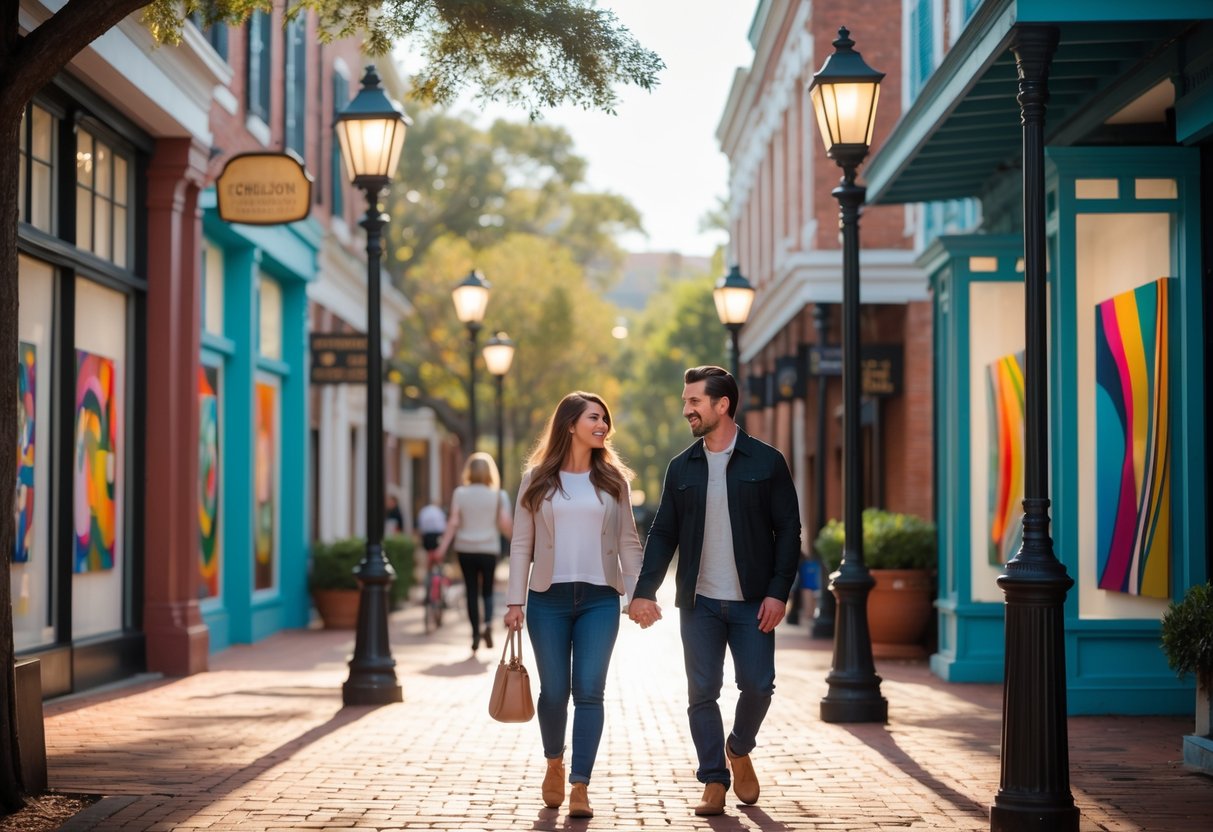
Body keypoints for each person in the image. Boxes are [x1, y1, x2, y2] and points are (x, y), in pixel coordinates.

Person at [629, 366, 800, 817]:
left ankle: (739, 748)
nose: (686, 409)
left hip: (753, 602)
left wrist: (778, 592)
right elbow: (663, 533)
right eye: (686, 401)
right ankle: (714, 780)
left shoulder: (767, 462)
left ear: (722, 405)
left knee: (759, 685)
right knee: (701, 693)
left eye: (694, 402)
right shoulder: (681, 467)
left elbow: (789, 531)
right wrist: (645, 591)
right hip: (700, 601)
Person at [503, 392, 644, 820]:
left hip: (600, 597)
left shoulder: (614, 480)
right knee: (553, 692)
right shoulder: (536, 479)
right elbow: (521, 543)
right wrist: (514, 600)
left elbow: (628, 542)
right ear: (569, 425)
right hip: (548, 598)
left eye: (605, 419)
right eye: (594, 418)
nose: (603, 425)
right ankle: (553, 762)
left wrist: (638, 595)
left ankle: (580, 783)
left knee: (589, 691)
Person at [435, 453, 512, 653]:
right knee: (487, 590)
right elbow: (504, 523)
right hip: (488, 549)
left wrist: (442, 548)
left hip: (465, 549)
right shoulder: (498, 495)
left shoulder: (460, 493)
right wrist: (516, 540)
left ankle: (475, 634)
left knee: (470, 590)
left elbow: (453, 522)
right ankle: (487, 623)